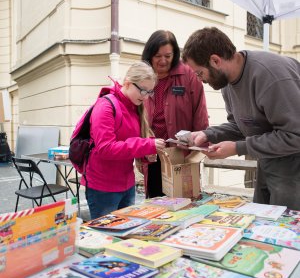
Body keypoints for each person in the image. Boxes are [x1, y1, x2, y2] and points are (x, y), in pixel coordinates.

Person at [182, 27, 300, 210]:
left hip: (294, 164)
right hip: (268, 159)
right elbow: (241, 125)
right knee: (262, 221)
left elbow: (295, 135)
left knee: (288, 230)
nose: (199, 80)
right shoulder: (225, 82)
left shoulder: (271, 76)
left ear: (215, 60)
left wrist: (238, 147)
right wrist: (208, 134)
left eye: (199, 73)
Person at [82, 61, 166, 219]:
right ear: (127, 83)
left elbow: (129, 143)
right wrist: (146, 145)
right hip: (103, 187)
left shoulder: (134, 106)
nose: (146, 96)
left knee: (124, 235)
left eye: (149, 92)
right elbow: (106, 148)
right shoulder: (105, 106)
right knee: (106, 237)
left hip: (126, 184)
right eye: (142, 90)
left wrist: (145, 155)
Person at [141, 30, 209, 198]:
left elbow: (200, 115)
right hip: (152, 155)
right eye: (157, 56)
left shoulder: (188, 75)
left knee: (183, 202)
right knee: (156, 205)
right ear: (149, 55)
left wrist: (197, 149)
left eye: (168, 55)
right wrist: (138, 153)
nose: (163, 61)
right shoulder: (143, 77)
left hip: (181, 155)